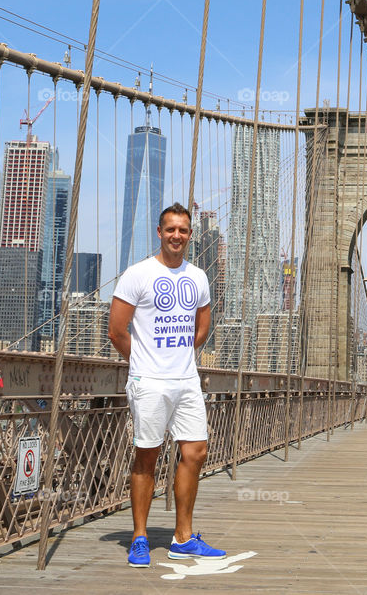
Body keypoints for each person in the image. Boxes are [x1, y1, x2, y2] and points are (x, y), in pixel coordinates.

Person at [108, 203, 226, 568]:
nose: (177, 235)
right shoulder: (137, 274)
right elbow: (116, 330)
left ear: (190, 235)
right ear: (159, 233)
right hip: (150, 381)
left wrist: (181, 355)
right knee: (148, 455)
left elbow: (203, 324)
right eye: (171, 229)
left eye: (183, 230)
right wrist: (144, 363)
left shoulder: (199, 277)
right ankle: (140, 537)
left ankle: (183, 538)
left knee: (196, 452)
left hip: (186, 379)